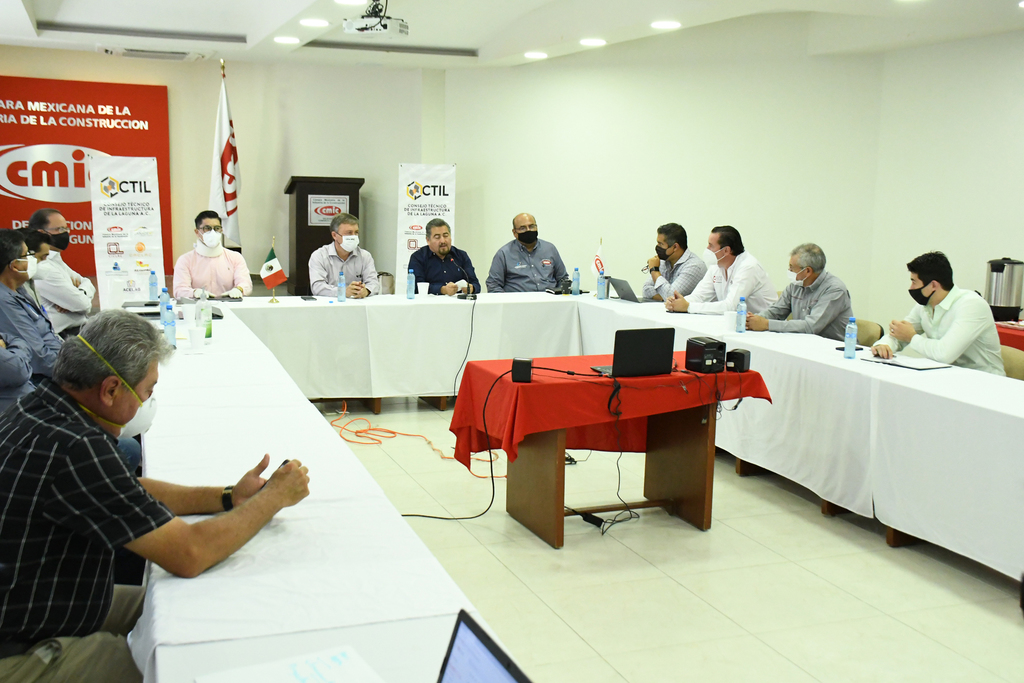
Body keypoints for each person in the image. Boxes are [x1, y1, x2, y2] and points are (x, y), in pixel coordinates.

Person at [0, 309, 310, 682]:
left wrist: (228, 497)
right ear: (110, 390)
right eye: (147, 391)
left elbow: (120, 488)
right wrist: (272, 498)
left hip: (35, 603)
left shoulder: (40, 405)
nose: (147, 402)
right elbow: (190, 553)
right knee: (175, 665)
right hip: (16, 647)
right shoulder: (77, 446)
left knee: (183, 607)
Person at [872, 251, 1005, 375]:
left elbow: (944, 354)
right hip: (946, 376)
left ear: (933, 285)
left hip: (984, 381)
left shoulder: (971, 305)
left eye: (914, 282)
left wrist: (912, 337)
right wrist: (884, 345)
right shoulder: (925, 305)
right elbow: (900, 333)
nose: (911, 288)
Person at [746, 243, 854, 341]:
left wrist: (766, 324)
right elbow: (776, 312)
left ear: (807, 271)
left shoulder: (834, 290)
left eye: (792, 267)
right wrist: (752, 319)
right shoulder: (795, 285)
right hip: (803, 343)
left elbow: (810, 327)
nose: (789, 271)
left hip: (836, 349)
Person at [665, 225, 777, 314]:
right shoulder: (716, 266)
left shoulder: (748, 267)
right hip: (739, 324)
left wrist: (689, 307)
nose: (707, 249)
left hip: (764, 326)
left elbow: (731, 306)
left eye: (711, 245)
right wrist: (678, 302)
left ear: (726, 250)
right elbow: (699, 296)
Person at [0, 230, 63, 381]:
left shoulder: (20, 289)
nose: (32, 259)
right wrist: (78, 372)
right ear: (14, 266)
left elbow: (47, 335)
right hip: (44, 380)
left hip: (61, 363)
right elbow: (40, 357)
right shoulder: (4, 302)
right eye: (27, 255)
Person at [27, 208, 95, 338]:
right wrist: (76, 299)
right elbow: (83, 305)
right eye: (60, 229)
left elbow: (87, 282)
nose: (66, 233)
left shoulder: (56, 260)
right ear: (42, 233)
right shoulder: (42, 267)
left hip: (80, 329)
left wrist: (79, 293)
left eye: (66, 229)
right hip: (63, 336)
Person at [173, 211, 253, 300]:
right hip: (198, 305)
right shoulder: (185, 260)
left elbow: (246, 283)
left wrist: (239, 289)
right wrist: (194, 292)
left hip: (228, 304)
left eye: (217, 228)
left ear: (221, 230)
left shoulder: (235, 257)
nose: (213, 232)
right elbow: (179, 290)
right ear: (197, 232)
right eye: (207, 228)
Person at [485, 213, 567, 293]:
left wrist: (560, 296)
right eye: (522, 228)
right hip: (518, 301)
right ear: (514, 233)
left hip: (550, 299)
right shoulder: (504, 253)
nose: (528, 230)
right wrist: (507, 301)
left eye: (531, 226)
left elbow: (563, 279)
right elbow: (493, 285)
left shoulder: (550, 249)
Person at [308, 213, 379, 298]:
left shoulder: (365, 256)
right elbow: (317, 287)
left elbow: (374, 283)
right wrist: (342, 291)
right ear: (334, 235)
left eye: (356, 232)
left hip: (357, 303)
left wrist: (366, 291)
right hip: (330, 303)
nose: (353, 236)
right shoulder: (319, 256)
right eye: (349, 233)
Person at [408, 218, 480, 295]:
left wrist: (471, 288)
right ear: (428, 240)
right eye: (437, 237)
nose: (443, 241)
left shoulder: (461, 256)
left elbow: (476, 284)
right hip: (429, 302)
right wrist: (443, 290)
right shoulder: (418, 257)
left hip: (457, 301)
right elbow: (416, 287)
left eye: (446, 236)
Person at [641, 222, 706, 301]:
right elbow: (646, 289)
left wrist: (654, 270)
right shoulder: (664, 261)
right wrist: (663, 298)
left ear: (675, 247)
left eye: (661, 244)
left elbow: (670, 295)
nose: (657, 247)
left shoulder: (694, 266)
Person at [0, 332, 33, 412]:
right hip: (18, 412)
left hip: (25, 405)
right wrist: (16, 355)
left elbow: (11, 338)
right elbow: (20, 371)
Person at [19, 229, 51, 310]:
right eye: (42, 257)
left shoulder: (30, 283)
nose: (45, 262)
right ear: (27, 255)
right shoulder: (12, 289)